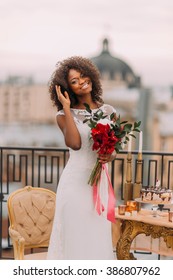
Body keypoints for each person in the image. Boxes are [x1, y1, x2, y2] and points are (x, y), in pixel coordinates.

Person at [47, 56, 117, 260]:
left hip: (99, 184)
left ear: (91, 75)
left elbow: (113, 149)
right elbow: (75, 144)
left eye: (83, 76)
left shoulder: (108, 111)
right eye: (74, 81)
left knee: (96, 237)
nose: (82, 82)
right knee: (75, 238)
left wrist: (108, 155)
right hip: (74, 185)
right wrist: (67, 108)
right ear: (66, 88)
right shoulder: (63, 115)